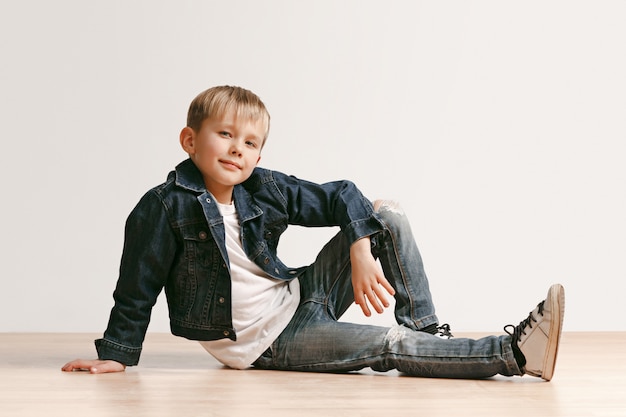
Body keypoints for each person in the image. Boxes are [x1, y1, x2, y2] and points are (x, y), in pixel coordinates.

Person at [62, 85, 565, 380]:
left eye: (251, 141)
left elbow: (344, 193)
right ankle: (515, 354)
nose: (238, 148)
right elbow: (137, 286)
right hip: (266, 342)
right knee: (386, 342)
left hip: (300, 297)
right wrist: (117, 356)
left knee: (385, 213)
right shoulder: (164, 207)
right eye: (225, 134)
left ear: (260, 154)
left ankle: (428, 333)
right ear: (190, 140)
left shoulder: (261, 188)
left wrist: (360, 250)